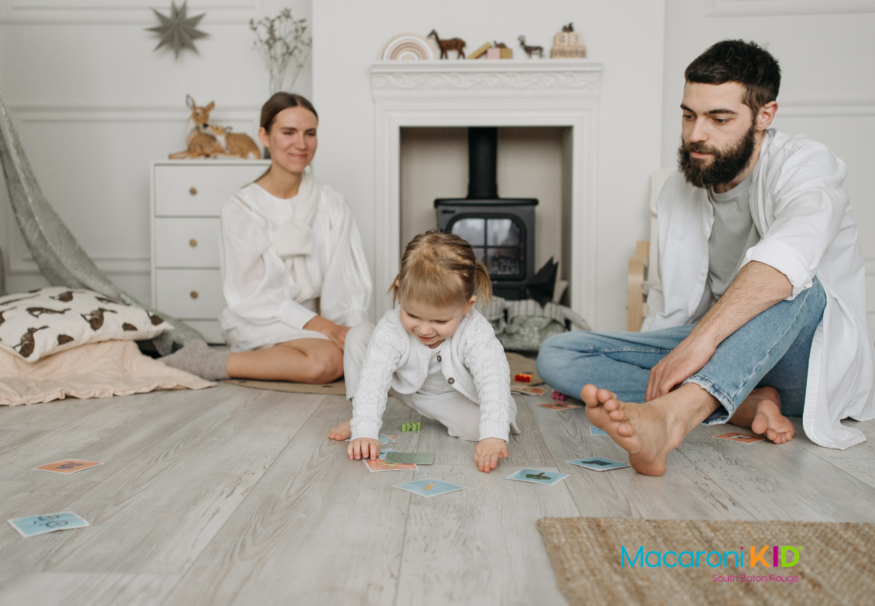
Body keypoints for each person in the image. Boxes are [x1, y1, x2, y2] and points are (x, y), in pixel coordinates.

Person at [537, 40, 875, 476]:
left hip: (801, 363)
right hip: (723, 350)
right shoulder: (681, 188)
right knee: (558, 354)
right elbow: (674, 307)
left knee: (799, 287)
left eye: (719, 119)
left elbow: (790, 258)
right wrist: (683, 347)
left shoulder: (808, 166)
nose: (697, 134)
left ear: (764, 116)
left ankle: (674, 416)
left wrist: (699, 343)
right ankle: (739, 401)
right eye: (688, 115)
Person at [161, 92, 372, 382]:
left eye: (310, 133)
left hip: (321, 323)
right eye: (288, 132)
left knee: (367, 350)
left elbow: (345, 284)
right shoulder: (241, 209)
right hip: (262, 317)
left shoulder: (332, 203)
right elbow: (255, 297)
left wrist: (350, 332)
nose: (301, 144)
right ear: (264, 135)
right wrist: (327, 330)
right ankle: (209, 361)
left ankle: (302, 353)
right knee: (325, 363)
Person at [327, 230, 520, 473]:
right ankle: (359, 415)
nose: (424, 329)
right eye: (412, 315)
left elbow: (493, 377)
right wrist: (365, 430)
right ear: (400, 290)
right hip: (401, 383)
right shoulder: (392, 326)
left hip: (447, 398)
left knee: (480, 429)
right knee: (359, 335)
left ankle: (492, 425)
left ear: (466, 306)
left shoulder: (476, 331)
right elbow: (375, 376)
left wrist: (493, 435)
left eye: (439, 321)